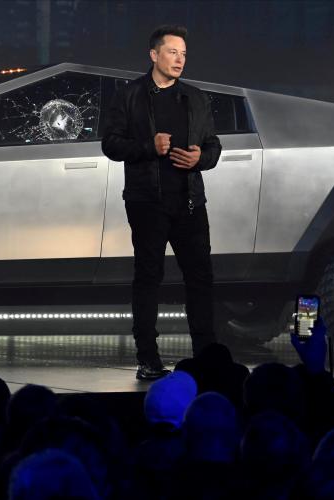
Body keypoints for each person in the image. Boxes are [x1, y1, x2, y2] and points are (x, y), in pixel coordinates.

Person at [102, 24, 222, 380]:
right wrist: (147, 148)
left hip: (189, 202)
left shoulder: (196, 98)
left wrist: (201, 157)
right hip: (147, 202)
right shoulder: (130, 95)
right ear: (154, 55)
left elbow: (214, 146)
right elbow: (110, 144)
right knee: (149, 277)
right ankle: (148, 358)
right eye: (173, 52)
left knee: (200, 279)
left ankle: (206, 356)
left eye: (184, 54)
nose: (180, 60)